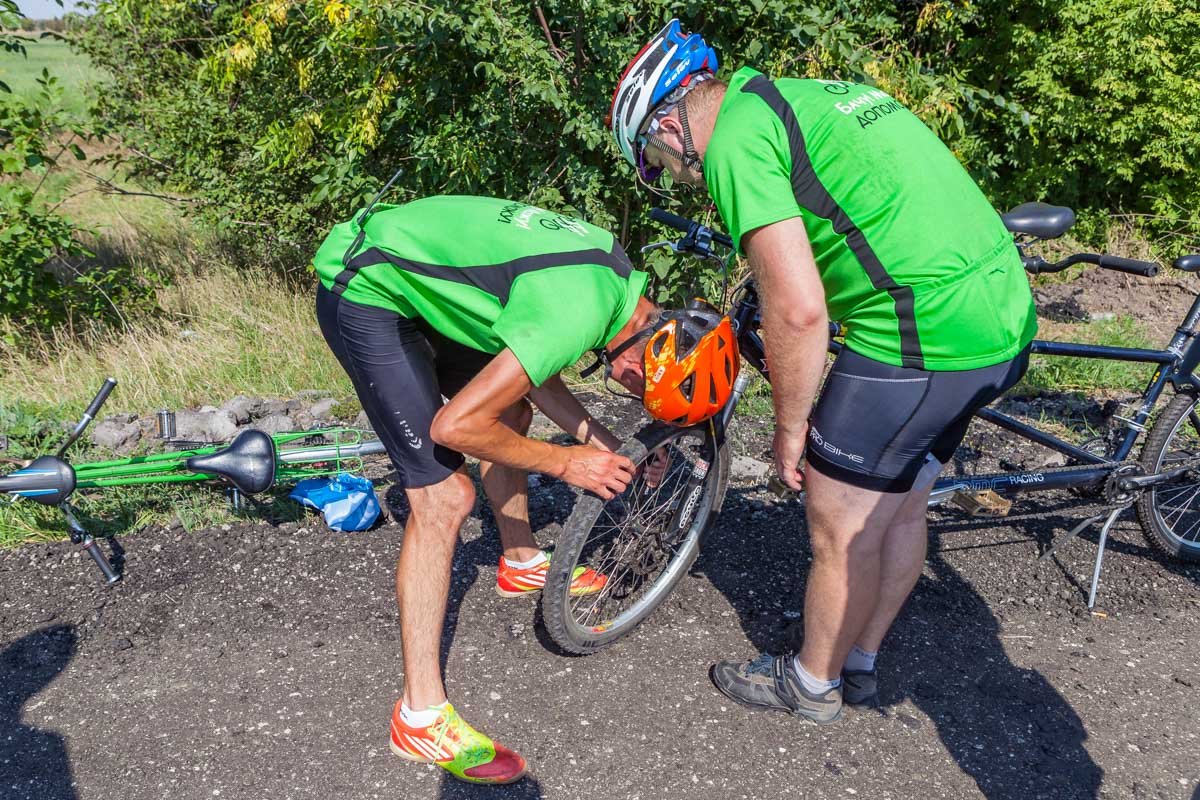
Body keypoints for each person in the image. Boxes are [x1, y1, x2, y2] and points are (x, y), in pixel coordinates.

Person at [609, 20, 1037, 724]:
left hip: (924, 338)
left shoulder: (735, 144)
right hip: (1001, 321)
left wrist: (788, 427)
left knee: (838, 525)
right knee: (897, 500)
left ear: (670, 121)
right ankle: (859, 659)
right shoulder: (811, 96)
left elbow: (800, 311)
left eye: (653, 158)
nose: (668, 176)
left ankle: (811, 682)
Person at [311, 195, 657, 784]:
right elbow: (457, 428)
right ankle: (418, 716)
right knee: (444, 497)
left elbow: (535, 365)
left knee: (512, 406)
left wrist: (600, 438)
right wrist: (568, 464)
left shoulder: (615, 277)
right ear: (645, 351)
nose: (635, 393)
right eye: (640, 387)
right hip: (366, 285)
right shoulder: (576, 314)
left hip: (417, 282)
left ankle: (521, 561)